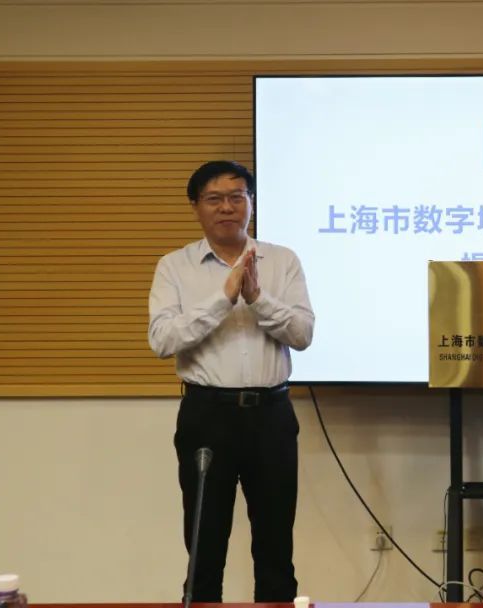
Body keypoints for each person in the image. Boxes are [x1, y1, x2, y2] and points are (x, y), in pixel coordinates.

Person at [148, 160, 314, 602]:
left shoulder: (282, 261)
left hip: (272, 417)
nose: (227, 207)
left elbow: (302, 335)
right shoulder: (174, 266)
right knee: (204, 544)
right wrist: (223, 298)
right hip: (207, 417)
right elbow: (162, 340)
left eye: (237, 197)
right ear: (196, 206)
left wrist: (257, 298)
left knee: (276, 548)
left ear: (251, 203)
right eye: (214, 199)